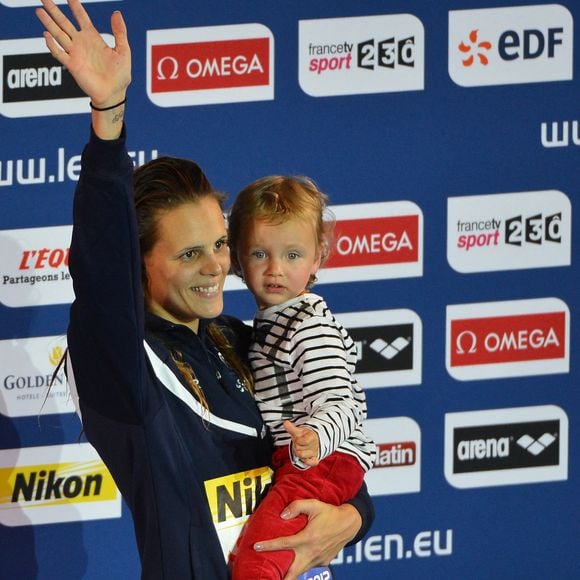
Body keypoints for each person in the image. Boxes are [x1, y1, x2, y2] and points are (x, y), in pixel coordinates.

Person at [35, 1, 374, 579]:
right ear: (139, 264)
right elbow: (100, 271)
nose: (217, 266)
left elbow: (329, 463)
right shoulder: (123, 369)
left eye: (220, 244)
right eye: (189, 253)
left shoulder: (246, 341)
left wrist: (355, 517)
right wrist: (108, 118)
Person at [227, 176, 377, 578]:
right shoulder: (269, 323)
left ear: (318, 258)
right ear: (237, 259)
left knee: (259, 560)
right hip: (302, 460)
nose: (275, 269)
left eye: (293, 255)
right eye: (260, 253)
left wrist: (315, 438)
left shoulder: (308, 325)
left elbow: (344, 403)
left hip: (322, 460)